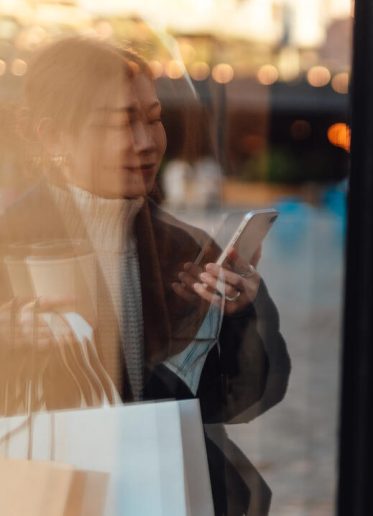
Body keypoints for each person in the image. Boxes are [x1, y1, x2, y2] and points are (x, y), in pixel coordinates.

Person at [0, 37, 290, 515]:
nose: (145, 142)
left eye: (154, 118)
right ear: (52, 136)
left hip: (161, 490)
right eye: (119, 123)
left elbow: (242, 402)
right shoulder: (10, 243)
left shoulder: (187, 249)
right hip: (47, 494)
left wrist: (240, 318)